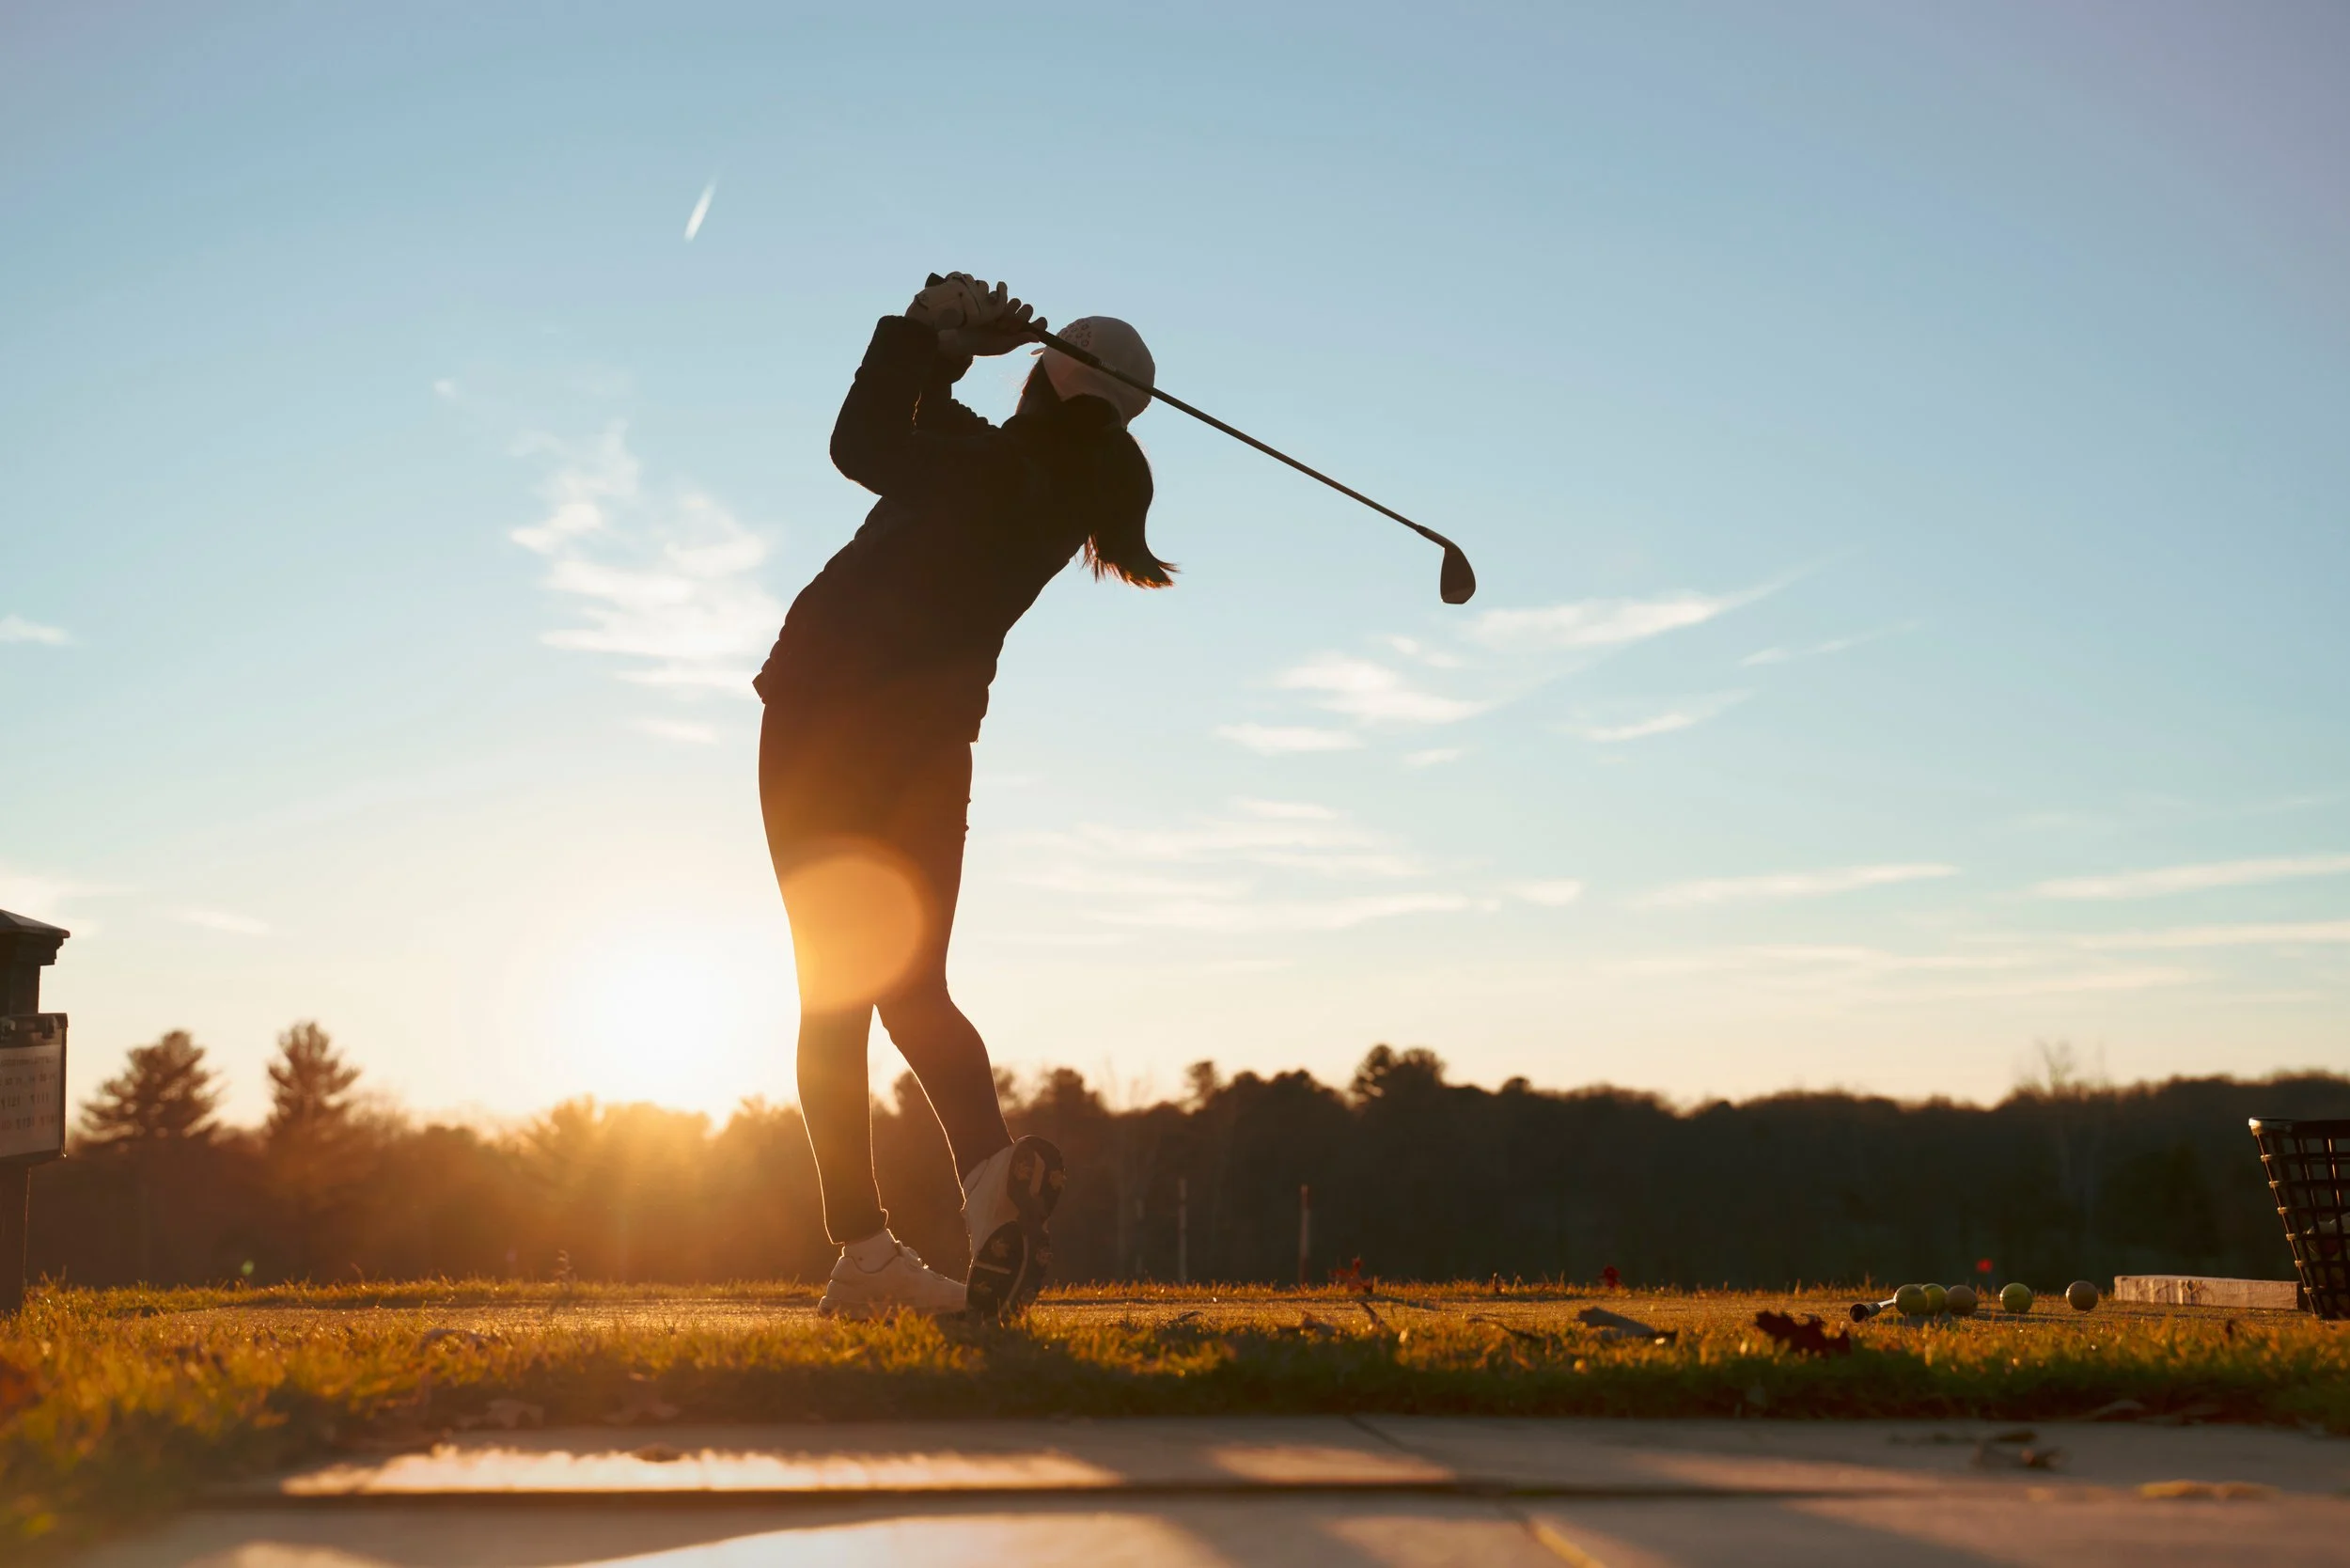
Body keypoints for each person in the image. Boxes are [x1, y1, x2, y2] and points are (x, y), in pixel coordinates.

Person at [753, 274, 1168, 1319]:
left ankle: (865, 1253)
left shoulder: (988, 465)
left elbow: (864, 443)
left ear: (1045, 379)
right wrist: (948, 352)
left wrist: (923, 327)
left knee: (832, 999)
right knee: (913, 991)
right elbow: (923, 429)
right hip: (933, 750)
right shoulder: (1048, 482)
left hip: (824, 724)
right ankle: (991, 1189)